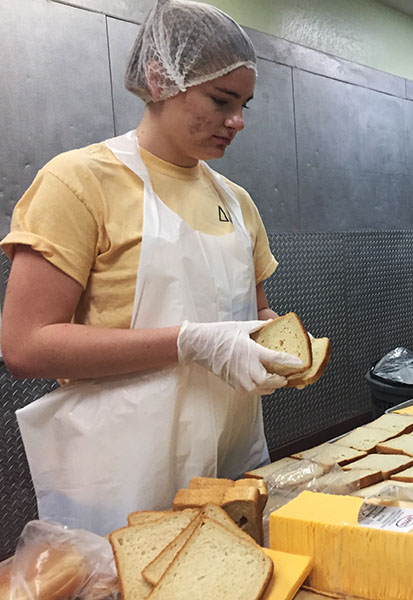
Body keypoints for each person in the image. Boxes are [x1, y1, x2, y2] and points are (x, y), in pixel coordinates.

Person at [0, 0, 302, 535]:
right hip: (120, 476)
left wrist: (277, 350)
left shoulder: (235, 201)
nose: (236, 121)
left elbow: (255, 312)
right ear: (162, 79)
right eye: (220, 99)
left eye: (244, 106)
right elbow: (25, 346)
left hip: (229, 464)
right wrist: (190, 342)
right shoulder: (79, 182)